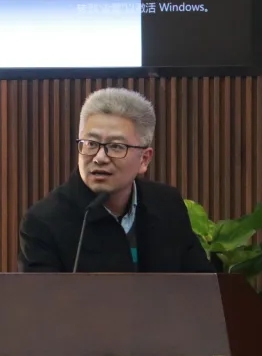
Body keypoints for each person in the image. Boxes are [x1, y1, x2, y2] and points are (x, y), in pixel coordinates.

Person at [18, 87, 215, 273]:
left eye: (116, 146)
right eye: (91, 144)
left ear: (144, 159)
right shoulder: (44, 222)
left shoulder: (166, 205)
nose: (99, 158)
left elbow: (201, 286)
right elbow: (42, 297)